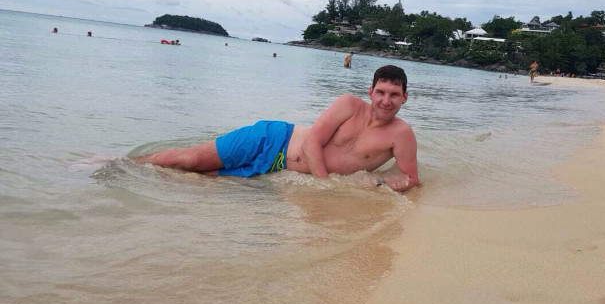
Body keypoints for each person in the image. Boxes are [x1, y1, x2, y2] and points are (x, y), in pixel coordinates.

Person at [133, 65, 419, 192]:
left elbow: (410, 178)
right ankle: (123, 164)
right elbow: (311, 143)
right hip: (272, 140)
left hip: (277, 170)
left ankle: (135, 173)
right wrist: (326, 186)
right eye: (381, 92)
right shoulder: (349, 104)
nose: (386, 101)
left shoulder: (401, 134)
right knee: (190, 161)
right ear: (370, 92)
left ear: (405, 97)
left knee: (198, 180)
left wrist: (378, 184)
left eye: (394, 95)